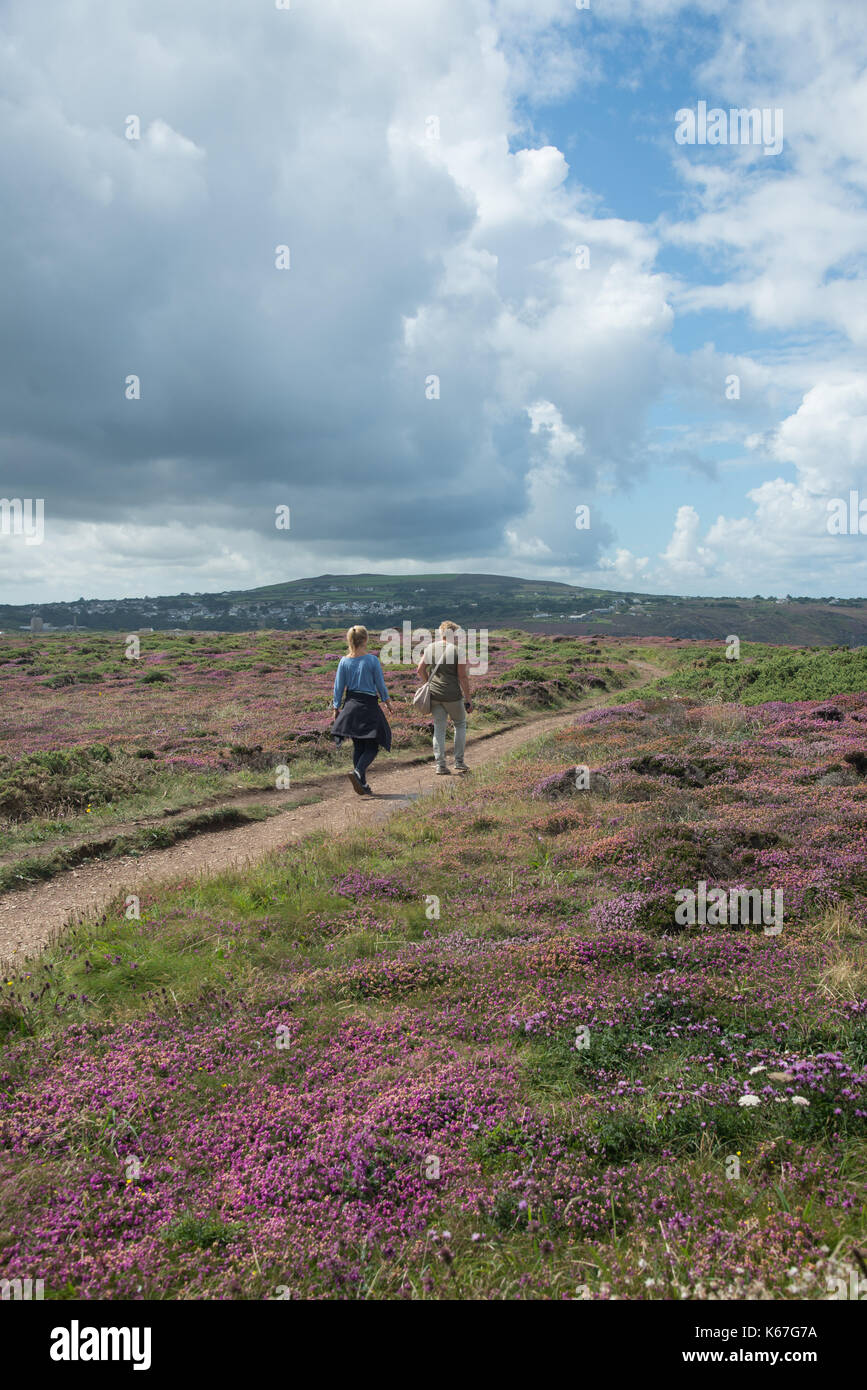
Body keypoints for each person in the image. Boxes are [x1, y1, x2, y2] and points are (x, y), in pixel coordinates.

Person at [331, 625, 392, 795]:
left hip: (350, 705)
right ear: (365, 640)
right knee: (373, 745)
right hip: (368, 705)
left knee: (359, 746)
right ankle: (358, 773)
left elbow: (338, 687)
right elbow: (380, 684)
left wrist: (336, 707)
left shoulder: (344, 661)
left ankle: (362, 784)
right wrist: (387, 701)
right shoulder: (372, 660)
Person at [416, 620, 473, 775]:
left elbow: (420, 669)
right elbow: (462, 677)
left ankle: (440, 765)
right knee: (460, 724)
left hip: (434, 695)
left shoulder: (430, 648)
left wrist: (428, 682)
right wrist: (468, 698)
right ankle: (459, 762)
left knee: (439, 728)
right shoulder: (458, 651)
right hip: (453, 695)